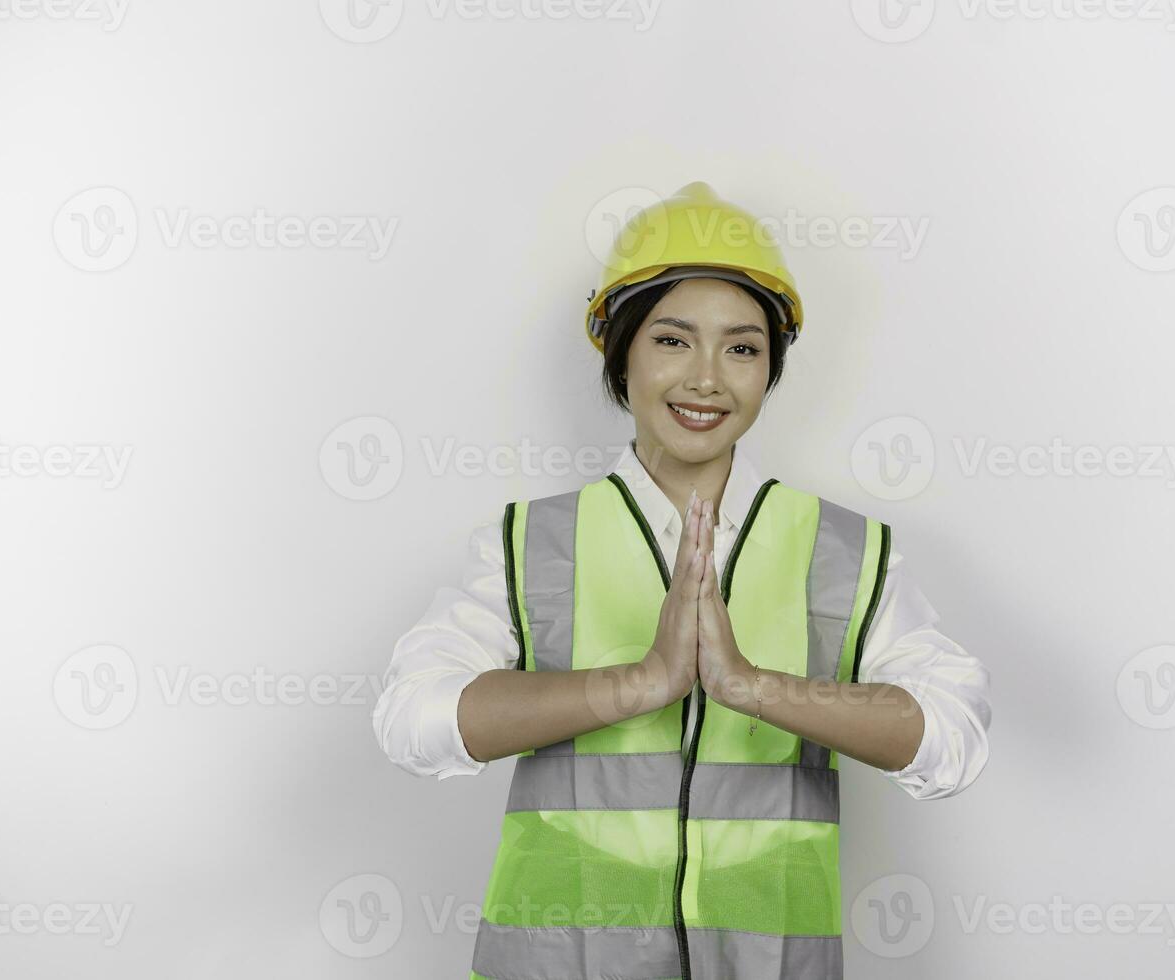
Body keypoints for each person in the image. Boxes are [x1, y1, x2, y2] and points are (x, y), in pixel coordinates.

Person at [372, 182, 993, 980]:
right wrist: (638, 683)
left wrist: (754, 687)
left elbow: (953, 739)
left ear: (770, 370)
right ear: (619, 352)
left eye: (741, 348)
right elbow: (413, 721)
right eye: (672, 340)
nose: (707, 378)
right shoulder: (531, 544)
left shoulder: (844, 550)